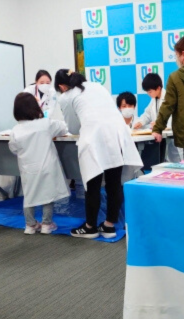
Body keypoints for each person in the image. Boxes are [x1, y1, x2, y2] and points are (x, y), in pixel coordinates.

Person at [55, 69, 143, 239]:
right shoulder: (97, 86)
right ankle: (109, 226)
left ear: (61, 86)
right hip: (116, 135)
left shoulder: (66, 96)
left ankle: (90, 227)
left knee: (92, 184)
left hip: (94, 138)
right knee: (114, 183)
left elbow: (73, 128)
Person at [8, 93, 70, 235]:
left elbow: (13, 148)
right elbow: (63, 128)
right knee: (47, 194)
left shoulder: (16, 130)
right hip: (47, 165)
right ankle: (46, 225)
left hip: (28, 168)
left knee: (29, 195)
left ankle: (30, 225)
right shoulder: (45, 123)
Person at [135, 73, 183, 162]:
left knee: (178, 161)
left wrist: (160, 124)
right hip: (162, 137)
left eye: (150, 92)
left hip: (173, 137)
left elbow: (173, 117)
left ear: (158, 88)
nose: (148, 94)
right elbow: (147, 114)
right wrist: (141, 122)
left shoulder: (169, 97)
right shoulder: (154, 99)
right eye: (147, 92)